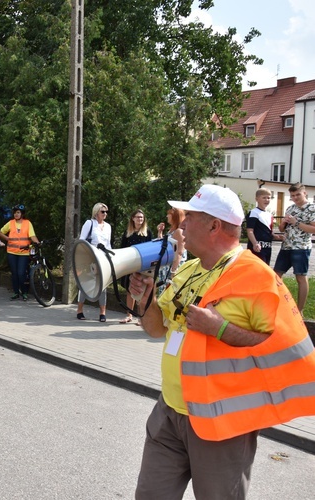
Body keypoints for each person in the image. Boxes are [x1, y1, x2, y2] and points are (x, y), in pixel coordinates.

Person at [128, 184, 315, 499]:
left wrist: (221, 329)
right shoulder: (188, 269)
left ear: (214, 225)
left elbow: (286, 348)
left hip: (222, 425)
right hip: (169, 413)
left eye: (190, 217)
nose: (182, 223)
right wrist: (144, 301)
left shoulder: (259, 278)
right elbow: (158, 329)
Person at [274, 182, 315, 312]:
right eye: (292, 195)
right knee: (275, 276)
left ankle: (300, 310)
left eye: (298, 194)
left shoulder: (311, 208)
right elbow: (281, 228)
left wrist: (296, 222)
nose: (295, 197)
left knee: (300, 277)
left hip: (301, 247)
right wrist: (284, 223)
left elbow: (313, 229)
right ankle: (277, 304)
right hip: (286, 246)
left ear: (305, 193)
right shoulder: (290, 208)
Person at [75, 203, 111, 321]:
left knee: (103, 285)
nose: (105, 214)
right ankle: (80, 310)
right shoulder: (89, 223)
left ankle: (102, 313)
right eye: (102, 211)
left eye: (106, 212)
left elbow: (108, 244)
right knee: (85, 283)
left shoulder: (108, 226)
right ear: (96, 212)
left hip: (103, 258)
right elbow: (82, 241)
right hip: (91, 257)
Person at [0, 204, 40, 301]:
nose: (16, 214)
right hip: (12, 252)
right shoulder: (11, 223)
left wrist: (37, 242)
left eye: (18, 212)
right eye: (15, 212)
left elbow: (32, 236)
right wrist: (7, 239)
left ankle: (24, 292)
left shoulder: (27, 223)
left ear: (22, 214)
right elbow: (0, 233)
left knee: (21, 273)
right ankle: (16, 292)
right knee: (14, 273)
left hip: (24, 252)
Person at [118, 209, 153, 323]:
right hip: (130, 265)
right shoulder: (127, 233)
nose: (140, 219)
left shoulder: (147, 232)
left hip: (143, 265)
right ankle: (129, 315)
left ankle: (140, 317)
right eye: (138, 217)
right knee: (130, 290)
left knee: (141, 291)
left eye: (142, 217)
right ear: (133, 218)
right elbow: (122, 249)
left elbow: (150, 249)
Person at [155, 207, 187, 296]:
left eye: (169, 214)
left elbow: (179, 253)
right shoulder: (172, 230)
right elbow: (165, 246)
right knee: (163, 294)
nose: (167, 216)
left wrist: (173, 272)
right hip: (168, 266)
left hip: (173, 267)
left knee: (169, 294)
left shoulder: (179, 232)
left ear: (175, 216)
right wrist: (160, 232)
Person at [246, 187, 282, 265]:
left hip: (267, 247)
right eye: (264, 198)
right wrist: (255, 243)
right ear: (257, 199)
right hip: (257, 247)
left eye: (268, 198)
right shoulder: (254, 213)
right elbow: (250, 231)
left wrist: (274, 236)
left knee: (265, 267)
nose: (267, 200)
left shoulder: (269, 215)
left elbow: (267, 230)